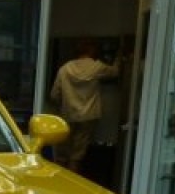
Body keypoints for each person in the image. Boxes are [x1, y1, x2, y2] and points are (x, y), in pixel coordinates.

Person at [49, 38, 121, 173]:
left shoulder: (64, 69)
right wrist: (118, 57)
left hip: (68, 115)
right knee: (77, 153)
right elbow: (115, 72)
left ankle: (60, 181)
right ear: (93, 51)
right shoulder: (97, 67)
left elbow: (54, 95)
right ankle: (74, 180)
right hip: (89, 115)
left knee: (63, 152)